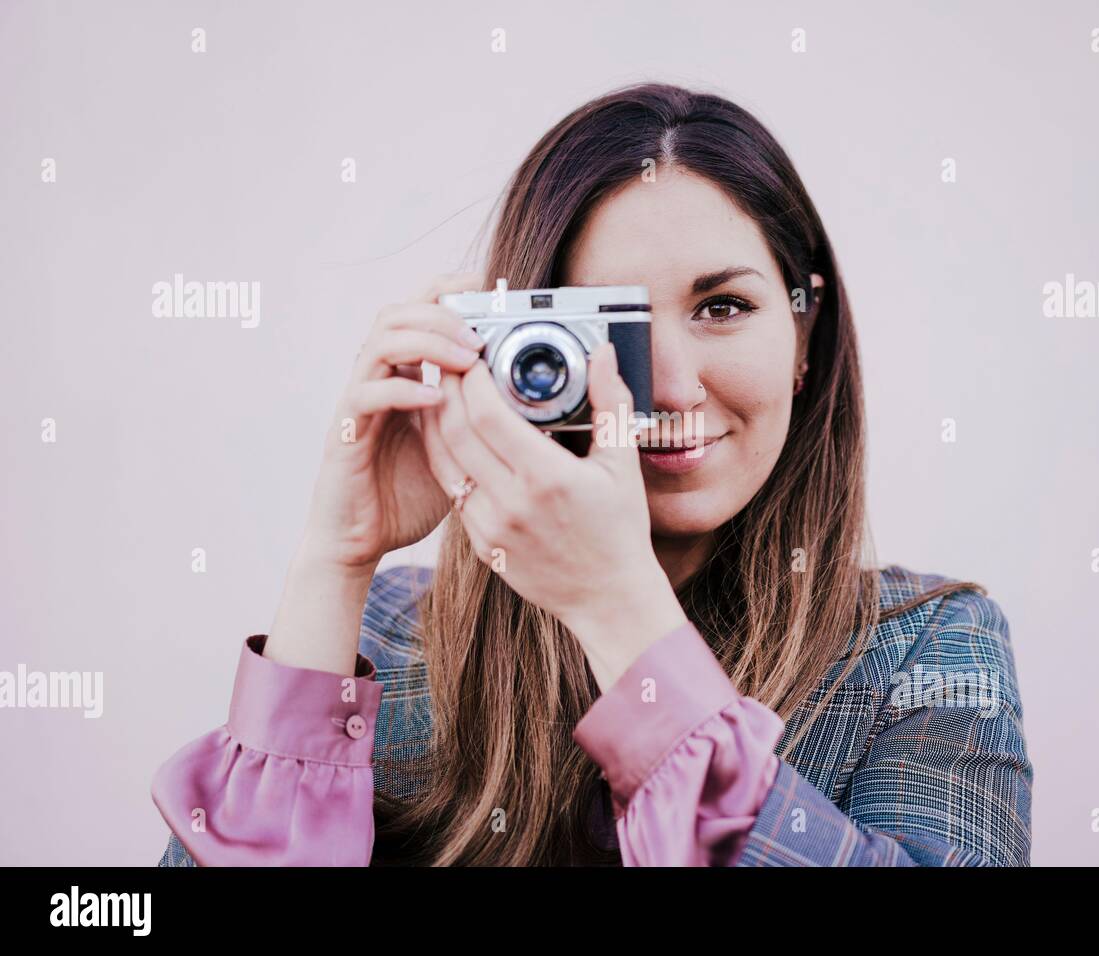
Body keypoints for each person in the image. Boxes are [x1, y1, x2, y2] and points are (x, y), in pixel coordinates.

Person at [151, 82, 1032, 867]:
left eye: (723, 307)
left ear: (804, 337)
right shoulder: (389, 638)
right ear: (519, 346)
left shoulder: (926, 648)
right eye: (614, 327)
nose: (674, 386)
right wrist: (334, 560)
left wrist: (619, 609)